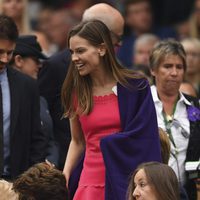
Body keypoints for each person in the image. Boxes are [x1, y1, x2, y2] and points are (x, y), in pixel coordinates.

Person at [62, 20, 161, 200]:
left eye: (80, 51)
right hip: (90, 181)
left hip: (127, 178)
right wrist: (65, 173)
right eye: (72, 52)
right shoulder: (75, 93)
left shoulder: (135, 86)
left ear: (101, 49)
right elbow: (77, 141)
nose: (74, 58)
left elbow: (147, 136)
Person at [38, 3, 125, 171]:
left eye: (80, 51)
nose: (119, 44)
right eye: (117, 36)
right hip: (69, 164)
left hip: (118, 167)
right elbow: (42, 118)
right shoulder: (55, 66)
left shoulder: (125, 79)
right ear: (101, 34)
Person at [149, 39, 200, 200]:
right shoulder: (141, 104)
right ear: (153, 70)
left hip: (188, 192)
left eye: (179, 67)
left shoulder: (195, 105)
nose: (174, 72)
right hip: (151, 190)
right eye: (167, 66)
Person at [0, 15, 47, 180]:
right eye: (0, 52)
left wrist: (30, 180)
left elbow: (37, 138)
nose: (4, 59)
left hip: (16, 182)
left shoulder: (26, 86)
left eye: (9, 52)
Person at [10, 35, 59, 167]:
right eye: (35, 60)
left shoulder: (41, 101)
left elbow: (50, 140)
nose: (39, 65)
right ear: (19, 60)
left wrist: (51, 161)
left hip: (39, 178)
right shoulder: (6, 98)